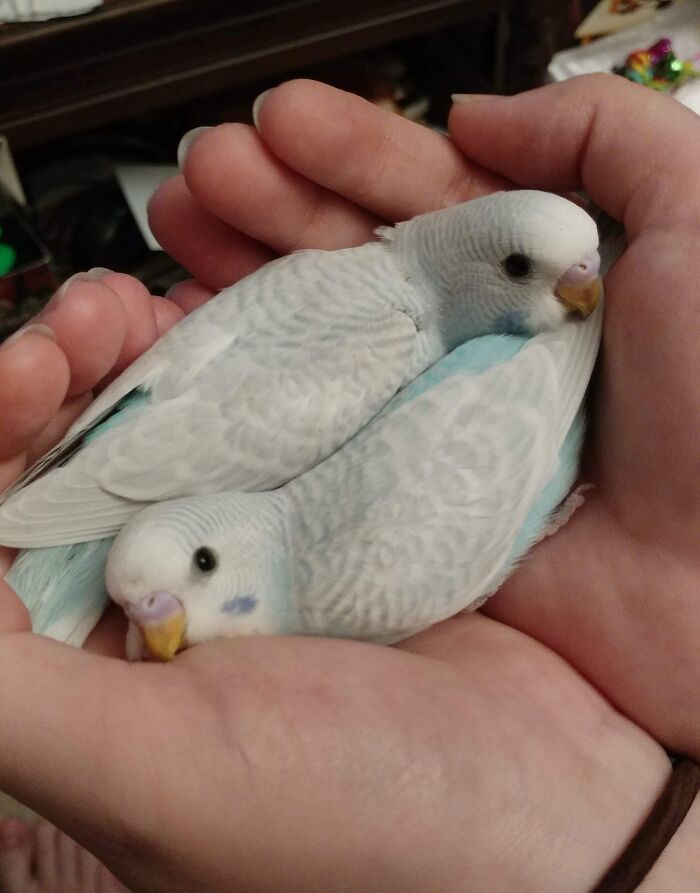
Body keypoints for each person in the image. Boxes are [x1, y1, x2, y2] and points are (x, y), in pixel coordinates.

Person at [0, 72, 698, 893]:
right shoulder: (392, 336)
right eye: (518, 269)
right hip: (139, 490)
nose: (579, 295)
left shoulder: (367, 292)